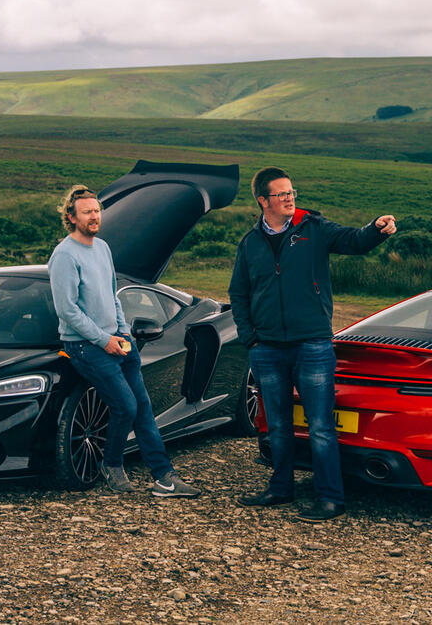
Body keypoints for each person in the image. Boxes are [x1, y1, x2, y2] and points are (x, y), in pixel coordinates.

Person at [229, 167, 396, 521]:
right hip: (267, 350)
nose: (290, 198)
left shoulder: (315, 229)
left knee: (320, 425)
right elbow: (238, 294)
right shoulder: (250, 243)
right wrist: (251, 340)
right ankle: (280, 489)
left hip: (313, 347)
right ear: (263, 201)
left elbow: (354, 241)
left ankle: (330, 499)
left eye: (292, 192)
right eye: (281, 194)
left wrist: (376, 230)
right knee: (277, 424)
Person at [48, 184, 200, 498]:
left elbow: (111, 294)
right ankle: (111, 464)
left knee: (143, 408)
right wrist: (105, 341)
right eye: (87, 212)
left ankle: (165, 477)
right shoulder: (64, 255)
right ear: (71, 217)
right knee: (126, 407)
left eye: (97, 210)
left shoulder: (102, 247)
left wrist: (123, 330)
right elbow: (68, 311)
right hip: (86, 347)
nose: (95, 216)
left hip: (119, 340)